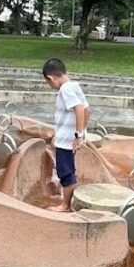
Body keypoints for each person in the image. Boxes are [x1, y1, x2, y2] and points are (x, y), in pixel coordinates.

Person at [42, 58, 90, 211]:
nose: (51, 86)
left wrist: (78, 135)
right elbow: (87, 109)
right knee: (69, 170)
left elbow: (79, 109)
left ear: (51, 78)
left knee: (65, 173)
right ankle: (70, 202)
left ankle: (65, 206)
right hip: (68, 138)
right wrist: (82, 132)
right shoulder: (74, 86)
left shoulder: (65, 89)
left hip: (67, 141)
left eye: (49, 83)